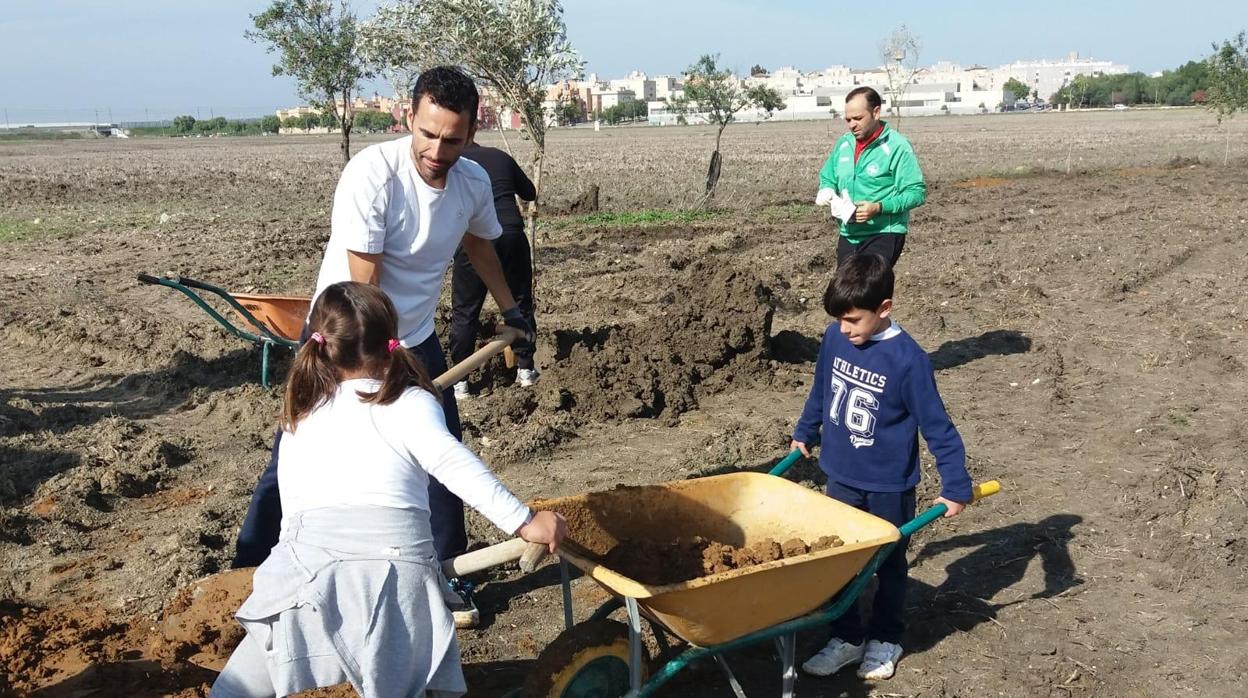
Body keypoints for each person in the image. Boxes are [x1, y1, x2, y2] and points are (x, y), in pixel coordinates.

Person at [231, 66, 534, 628]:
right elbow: (362, 291)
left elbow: (479, 247)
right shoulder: (373, 174)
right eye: (428, 134)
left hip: (413, 337)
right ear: (409, 119)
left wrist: (511, 310)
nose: (438, 150)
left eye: (453, 139)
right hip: (346, 334)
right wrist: (376, 372)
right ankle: (251, 568)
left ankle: (445, 571)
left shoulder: (469, 183)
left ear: (472, 133)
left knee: (439, 453)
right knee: (297, 448)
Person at [210, 282, 565, 697]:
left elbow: (292, 515)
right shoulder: (411, 403)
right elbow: (453, 464)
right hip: (394, 581)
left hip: (302, 577)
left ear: (320, 345)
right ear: (391, 342)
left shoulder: (301, 414)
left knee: (233, 691)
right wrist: (524, 520)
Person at [790, 253, 971, 680]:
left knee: (888, 563)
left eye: (853, 320)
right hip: (840, 475)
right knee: (842, 559)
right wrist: (806, 430)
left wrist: (956, 484)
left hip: (888, 483)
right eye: (839, 320)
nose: (844, 329)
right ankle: (847, 637)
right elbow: (822, 388)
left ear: (884, 308)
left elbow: (938, 427)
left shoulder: (908, 361)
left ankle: (885, 638)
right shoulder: (836, 339)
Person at [448, 138, 539, 399]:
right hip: (510, 234)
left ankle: (460, 383)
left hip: (473, 238)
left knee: (465, 311)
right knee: (520, 303)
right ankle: (525, 371)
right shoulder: (499, 157)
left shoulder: (454, 164)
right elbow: (529, 192)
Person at [815, 87, 927, 269]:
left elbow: (916, 193)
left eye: (858, 118)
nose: (852, 125)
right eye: (848, 120)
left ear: (876, 113)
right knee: (843, 293)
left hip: (883, 233)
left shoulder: (897, 146)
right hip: (849, 234)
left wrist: (878, 207)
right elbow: (827, 176)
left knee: (866, 290)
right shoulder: (844, 144)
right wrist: (826, 189)